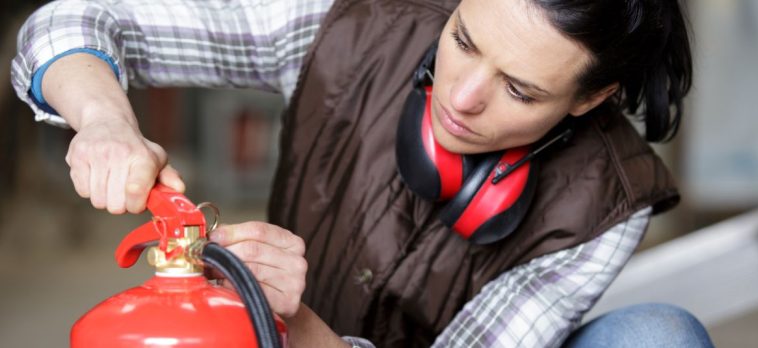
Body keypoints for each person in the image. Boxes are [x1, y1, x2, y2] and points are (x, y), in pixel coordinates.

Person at [11, 0, 714, 347]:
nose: (462, 98)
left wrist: (298, 323)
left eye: (521, 91)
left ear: (590, 98)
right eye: (464, 41)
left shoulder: (605, 204)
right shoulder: (356, 29)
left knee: (659, 334)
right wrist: (103, 118)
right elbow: (73, 21)